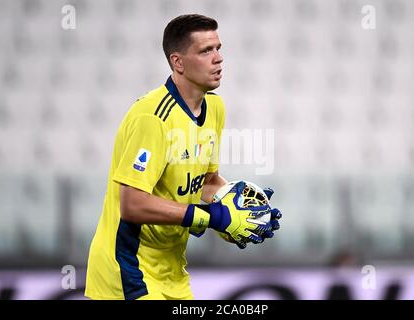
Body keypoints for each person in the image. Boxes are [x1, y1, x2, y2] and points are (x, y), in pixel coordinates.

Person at [85, 14, 282, 300]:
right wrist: (210, 217)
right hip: (127, 272)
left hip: (173, 273)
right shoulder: (152, 117)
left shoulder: (214, 107)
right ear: (178, 62)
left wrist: (238, 205)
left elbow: (205, 181)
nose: (218, 59)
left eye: (218, 48)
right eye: (206, 51)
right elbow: (132, 204)